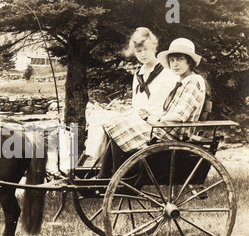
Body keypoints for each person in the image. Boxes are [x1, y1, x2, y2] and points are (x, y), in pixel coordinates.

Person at [99, 38, 207, 177]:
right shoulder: (182, 81)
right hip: (167, 128)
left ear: (189, 61)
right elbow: (170, 110)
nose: (175, 64)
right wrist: (149, 114)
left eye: (180, 59)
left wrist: (155, 119)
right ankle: (107, 175)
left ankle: (118, 177)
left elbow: (179, 116)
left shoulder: (193, 81)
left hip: (172, 133)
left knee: (117, 127)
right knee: (115, 124)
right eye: (172, 60)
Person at [85, 27, 177, 160]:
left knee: (114, 125)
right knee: (98, 117)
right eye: (139, 51)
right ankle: (96, 160)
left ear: (153, 48)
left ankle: (105, 168)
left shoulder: (167, 72)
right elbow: (136, 104)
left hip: (155, 120)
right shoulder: (138, 75)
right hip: (138, 116)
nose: (143, 54)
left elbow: (173, 102)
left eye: (146, 49)